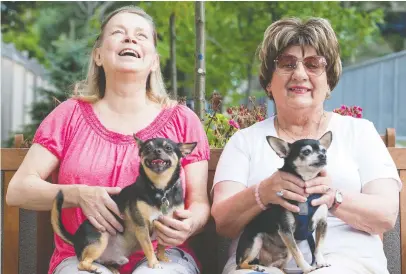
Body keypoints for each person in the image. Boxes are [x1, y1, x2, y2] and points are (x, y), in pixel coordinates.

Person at [6, 6, 210, 274]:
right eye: (118, 32)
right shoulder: (69, 115)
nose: (130, 39)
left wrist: (190, 224)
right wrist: (78, 194)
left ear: (154, 61)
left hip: (164, 255)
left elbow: (200, 203)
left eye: (141, 35)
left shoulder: (182, 120)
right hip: (88, 257)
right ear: (98, 55)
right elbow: (18, 189)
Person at [211, 17, 402, 274]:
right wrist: (263, 192)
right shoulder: (245, 141)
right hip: (263, 263)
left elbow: (386, 215)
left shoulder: (359, 133)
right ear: (269, 82)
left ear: (329, 80)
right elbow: (223, 222)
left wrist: (334, 198)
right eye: (287, 64)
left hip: (345, 261)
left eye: (313, 64)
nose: (300, 74)